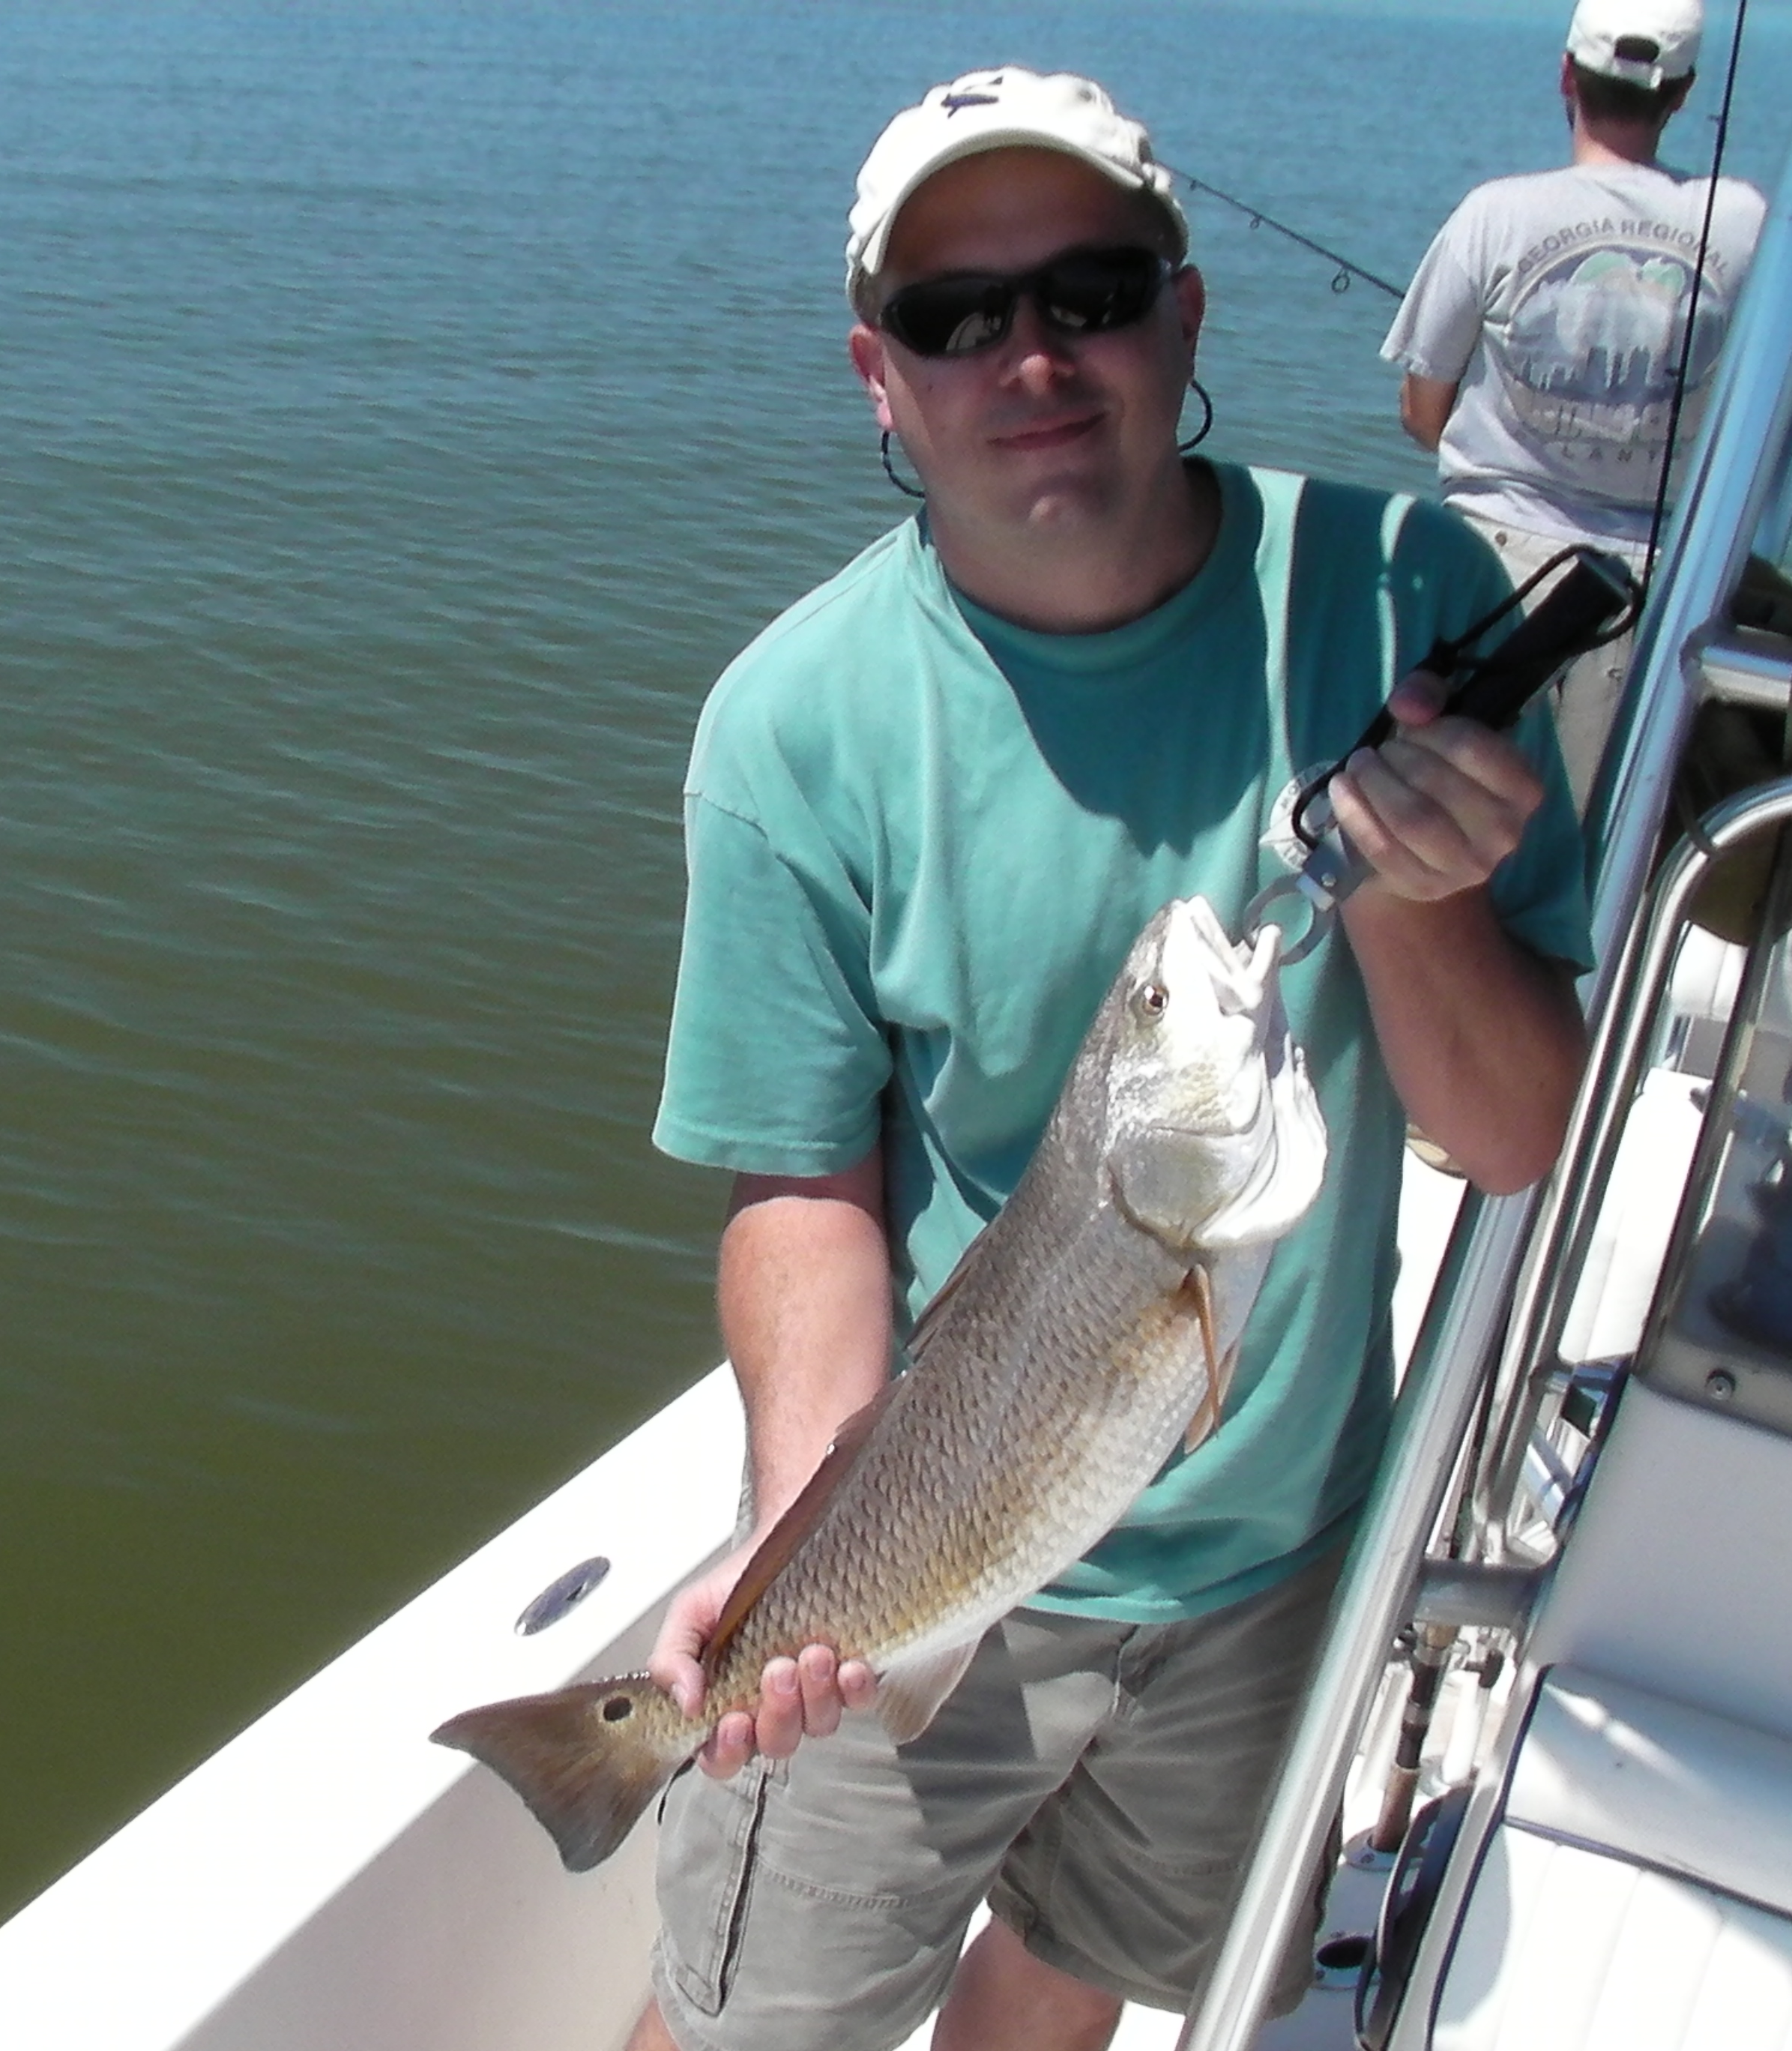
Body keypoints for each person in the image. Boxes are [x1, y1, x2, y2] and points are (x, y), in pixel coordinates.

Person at [624, 65, 1593, 2051]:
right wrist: (808, 1518)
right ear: (875, 378)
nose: (1032, 354)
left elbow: (1517, 1140)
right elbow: (803, 1180)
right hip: (938, 1515)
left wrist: (1412, 902)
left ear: (1188, 314)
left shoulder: (1413, 607)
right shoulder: (795, 727)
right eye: (955, 316)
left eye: (1090, 286)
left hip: (1277, 1558)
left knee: (1095, 1971)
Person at [1384, 0, 1766, 812]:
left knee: (1426, 816)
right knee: (1580, 843)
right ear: (1684, 93)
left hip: (1483, 571)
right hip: (1650, 594)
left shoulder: (1497, 212)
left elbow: (1422, 416)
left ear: (1566, 73)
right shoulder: (1744, 222)